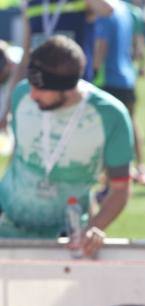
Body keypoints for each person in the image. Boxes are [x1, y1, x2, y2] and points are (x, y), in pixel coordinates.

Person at [0, 36, 132, 257]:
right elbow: (18, 157)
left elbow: (120, 190)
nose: (33, 95)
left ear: (68, 88)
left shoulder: (111, 116)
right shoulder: (22, 95)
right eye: (31, 85)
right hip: (6, 224)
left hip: (66, 238)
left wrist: (94, 227)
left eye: (41, 88)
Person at [0, 0, 113, 129]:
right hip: (41, 98)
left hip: (73, 97)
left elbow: (107, 9)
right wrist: (6, 110)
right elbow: (25, 60)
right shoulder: (32, 4)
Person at [93, 0, 145, 185]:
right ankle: (141, 167)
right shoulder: (128, 10)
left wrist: (92, 70)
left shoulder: (105, 12)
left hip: (108, 78)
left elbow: (102, 45)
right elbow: (138, 44)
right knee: (131, 122)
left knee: (106, 130)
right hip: (127, 76)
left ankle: (111, 175)